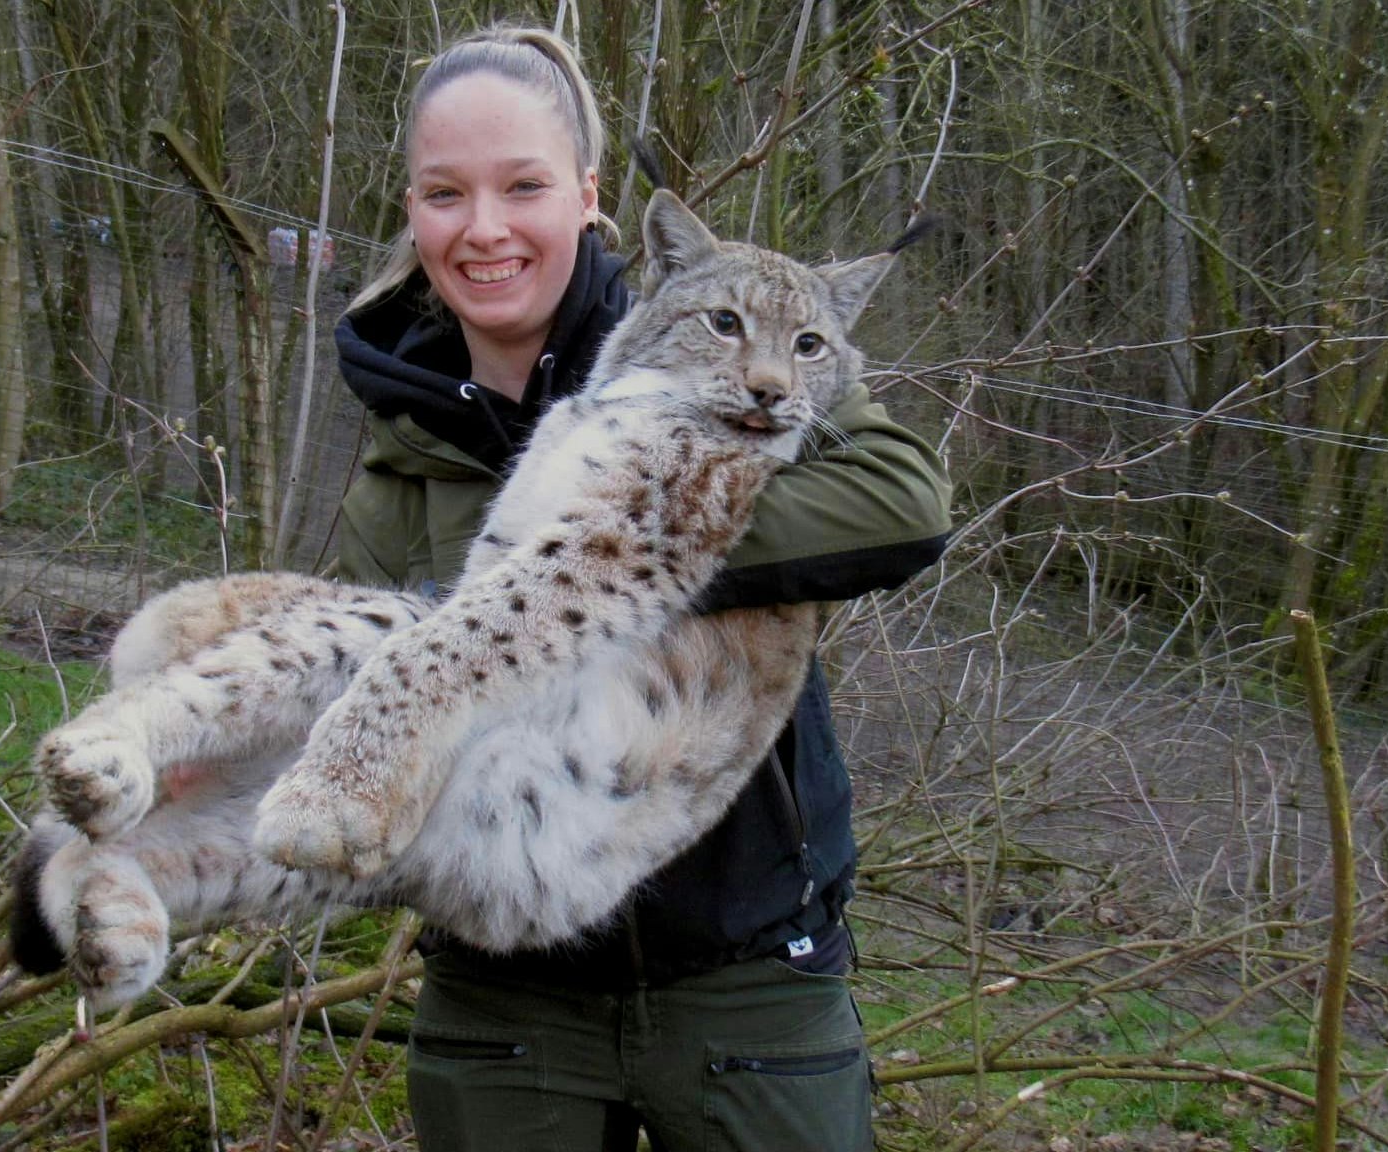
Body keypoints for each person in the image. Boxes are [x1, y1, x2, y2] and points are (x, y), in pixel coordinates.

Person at [330, 26, 952, 1152]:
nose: (484, 228)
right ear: (412, 210)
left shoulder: (738, 314)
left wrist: (609, 559)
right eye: (443, 192)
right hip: (502, 984)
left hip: (745, 972)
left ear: (585, 196)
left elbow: (901, 504)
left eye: (522, 185)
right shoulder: (395, 445)